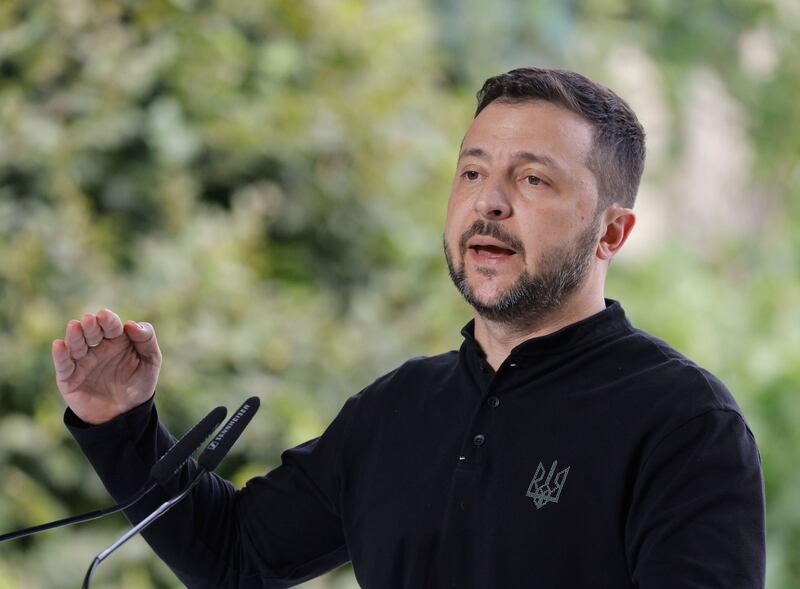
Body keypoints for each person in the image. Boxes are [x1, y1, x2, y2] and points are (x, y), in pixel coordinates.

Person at [52, 67, 766, 588]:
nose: (489, 203)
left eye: (533, 180)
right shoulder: (396, 410)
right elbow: (234, 554)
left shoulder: (684, 422)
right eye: (472, 173)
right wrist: (120, 421)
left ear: (612, 232)